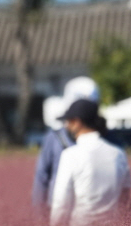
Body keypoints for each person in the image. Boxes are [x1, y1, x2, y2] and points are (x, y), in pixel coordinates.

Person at [50, 99, 131, 226]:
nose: (67, 126)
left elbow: (61, 204)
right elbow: (125, 201)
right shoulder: (118, 154)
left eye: (68, 122)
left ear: (77, 122)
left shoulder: (70, 155)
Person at [32, 77, 101, 217]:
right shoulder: (54, 137)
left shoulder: (105, 139)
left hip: (90, 211)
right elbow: (42, 176)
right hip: (58, 209)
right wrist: (38, 214)